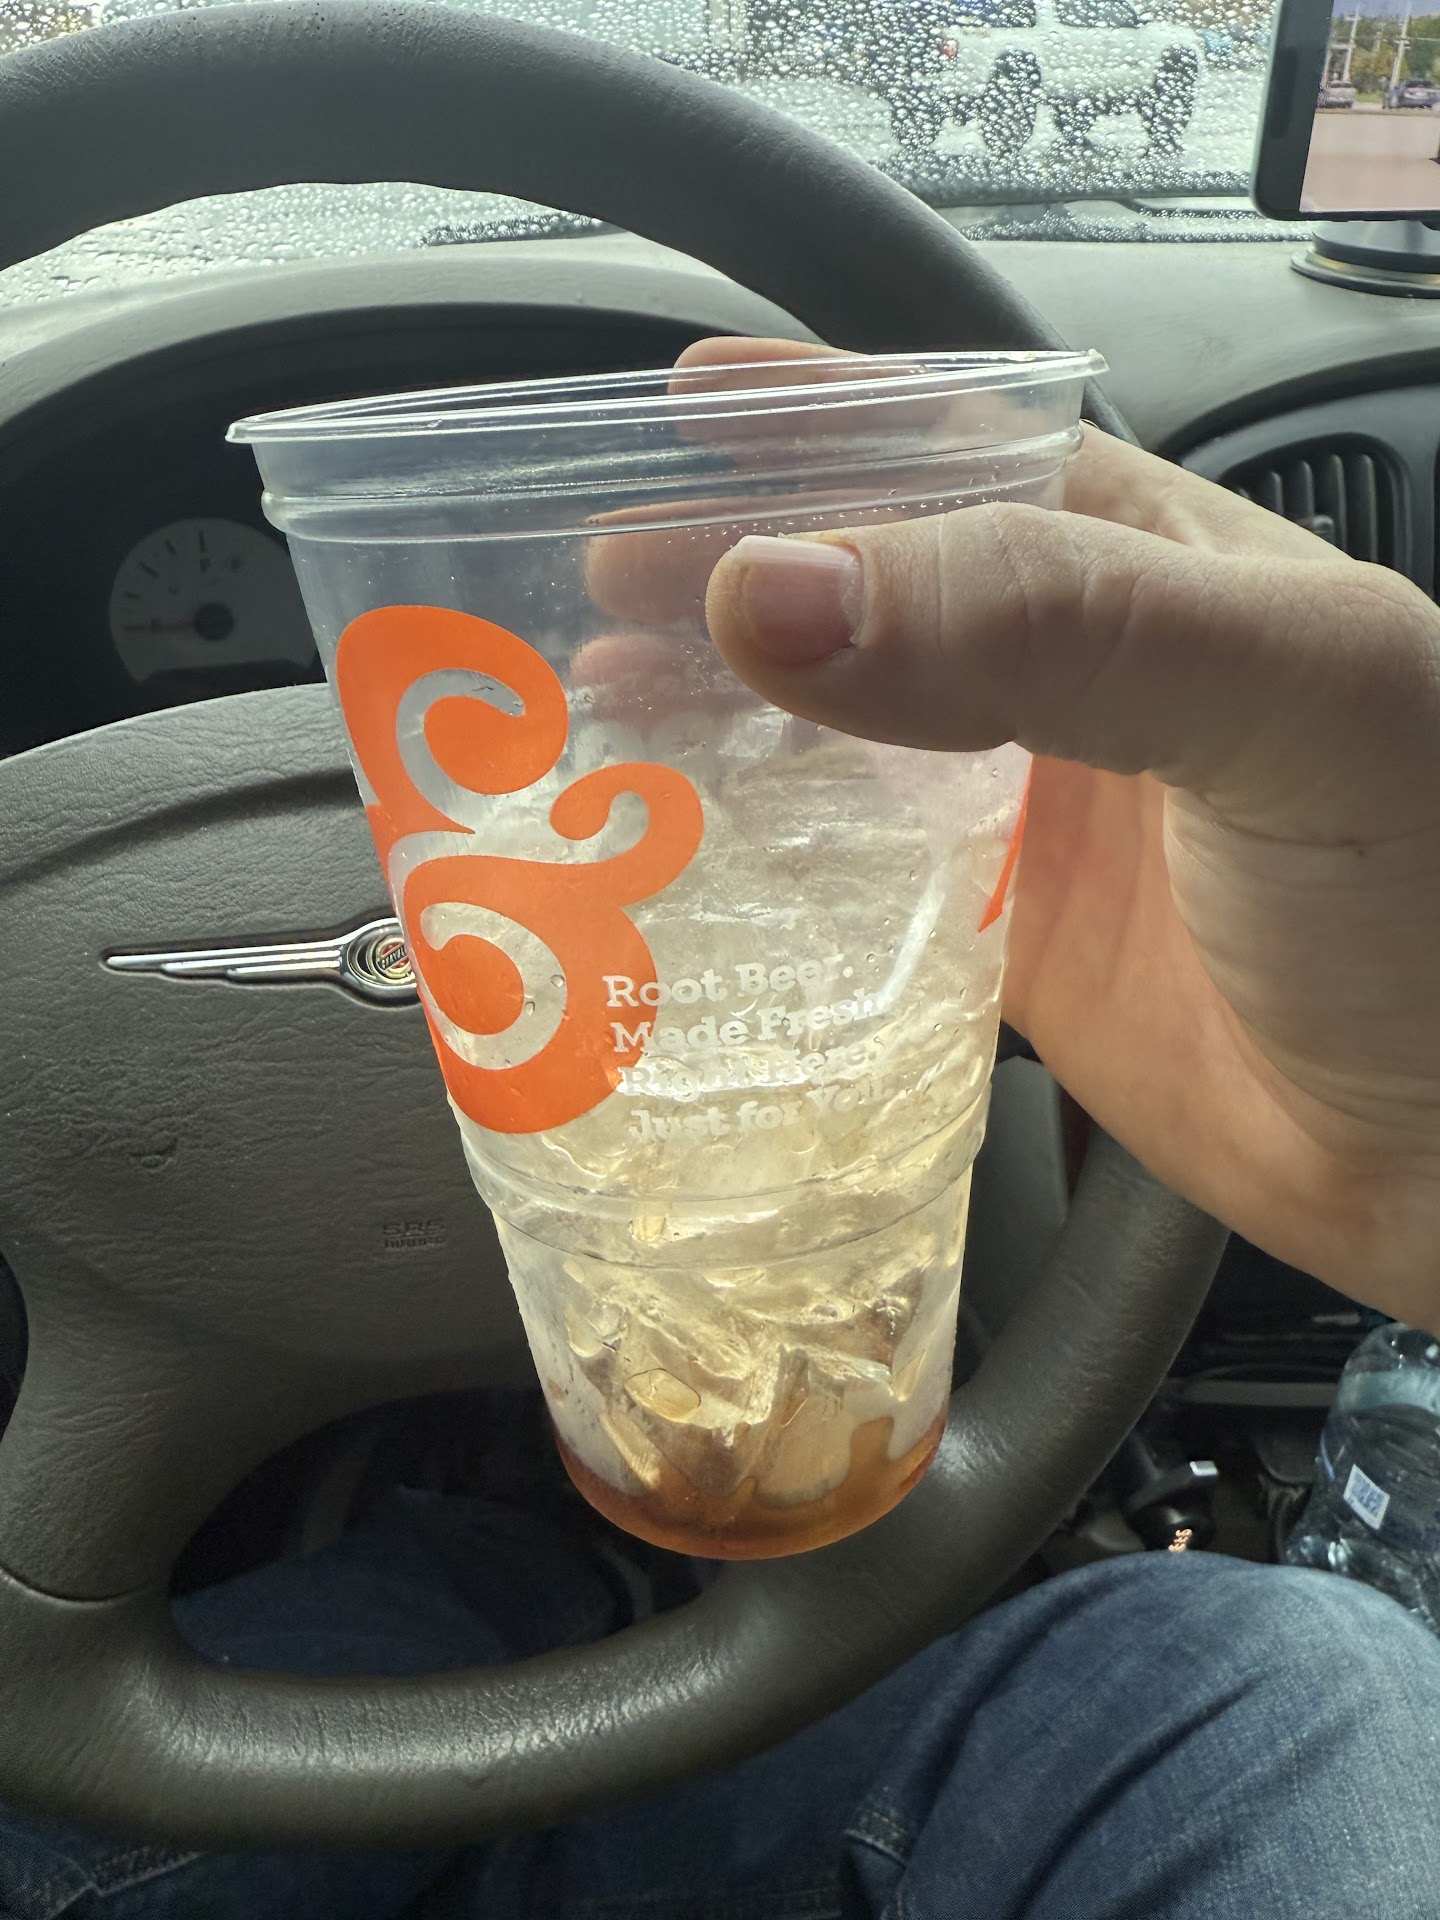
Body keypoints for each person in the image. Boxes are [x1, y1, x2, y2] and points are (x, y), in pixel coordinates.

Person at [4, 335, 1440, 1919]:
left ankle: (528, 1560)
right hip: (916, 1778)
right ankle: (582, 1564)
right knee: (1321, 1675)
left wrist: (1409, 1153)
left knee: (421, 1616)